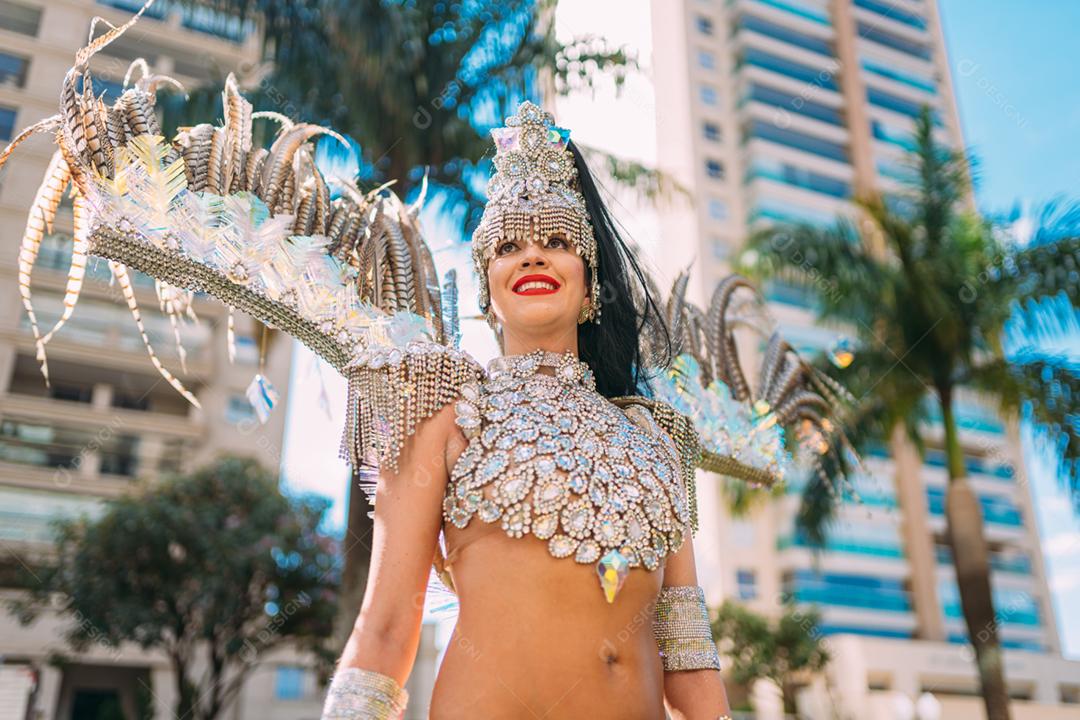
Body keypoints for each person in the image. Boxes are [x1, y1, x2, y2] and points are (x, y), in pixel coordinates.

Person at [321, 101, 732, 720]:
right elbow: (385, 627)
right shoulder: (443, 409)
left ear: (589, 287)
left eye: (557, 242)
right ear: (487, 289)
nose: (533, 256)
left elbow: (688, 654)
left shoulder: (655, 439)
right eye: (509, 245)